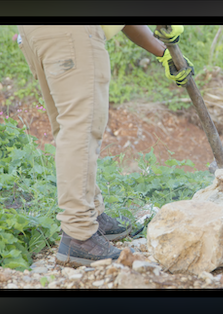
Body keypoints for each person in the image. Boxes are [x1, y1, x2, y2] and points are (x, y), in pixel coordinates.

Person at [17, 25, 194, 266]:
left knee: (69, 127)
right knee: (81, 129)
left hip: (38, 31)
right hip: (73, 31)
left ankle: (92, 214)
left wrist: (162, 52)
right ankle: (79, 235)